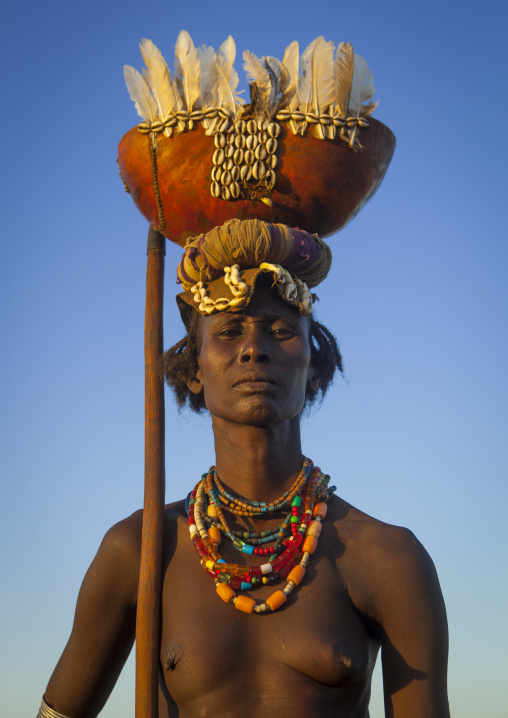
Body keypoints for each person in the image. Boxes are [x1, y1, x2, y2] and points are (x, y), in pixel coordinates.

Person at [39, 220, 450, 718]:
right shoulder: (142, 550)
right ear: (193, 371)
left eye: (281, 331)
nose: (254, 349)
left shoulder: (388, 559)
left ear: (314, 369)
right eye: (230, 331)